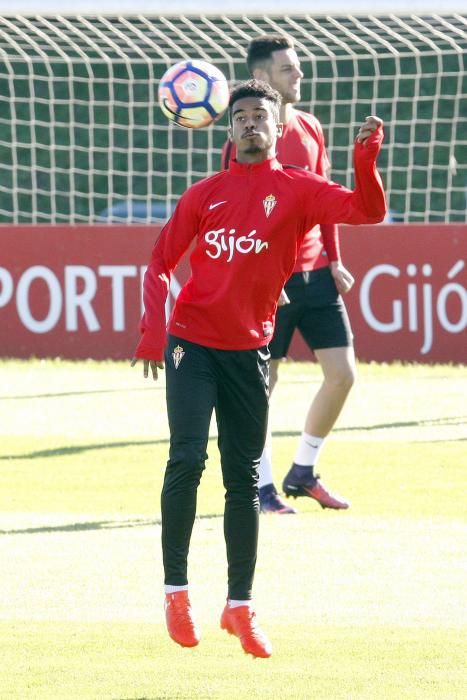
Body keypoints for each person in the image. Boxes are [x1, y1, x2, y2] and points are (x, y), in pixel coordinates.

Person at [132, 78, 386, 658]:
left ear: (277, 128)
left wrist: (364, 159)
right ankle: (176, 594)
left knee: (243, 479)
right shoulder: (204, 194)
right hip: (190, 344)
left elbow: (366, 210)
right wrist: (153, 331)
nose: (250, 123)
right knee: (186, 459)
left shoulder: (299, 190)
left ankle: (240, 607)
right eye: (240, 115)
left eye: (260, 116)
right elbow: (160, 261)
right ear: (228, 128)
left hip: (250, 352)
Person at [222, 35, 356, 514]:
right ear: (261, 79)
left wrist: (335, 258)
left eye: (296, 68)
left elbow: (326, 198)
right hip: (269, 281)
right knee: (262, 386)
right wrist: (257, 276)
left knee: (342, 375)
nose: (298, 76)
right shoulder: (243, 142)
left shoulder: (311, 126)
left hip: (317, 272)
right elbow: (235, 216)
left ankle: (303, 472)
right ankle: (259, 489)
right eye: (287, 70)